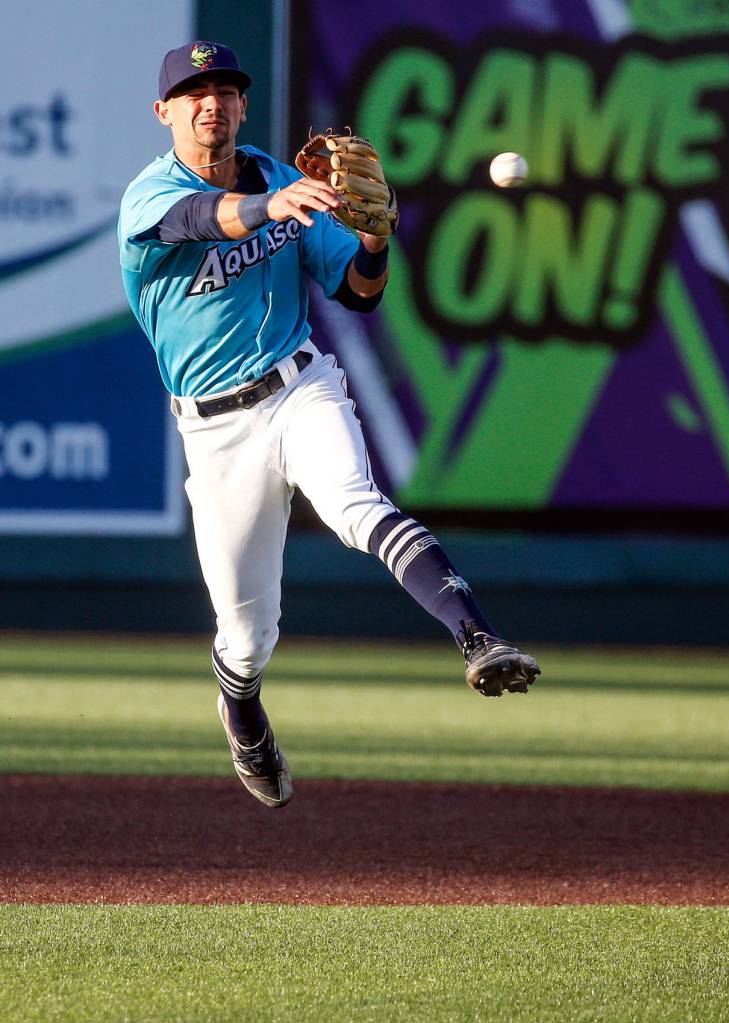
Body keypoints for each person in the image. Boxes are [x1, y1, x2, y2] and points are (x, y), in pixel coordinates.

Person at [118, 41, 541, 809]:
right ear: (165, 112)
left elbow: (359, 292)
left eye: (225, 89)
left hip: (300, 385)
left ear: (245, 106)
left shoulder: (284, 181)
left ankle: (479, 638)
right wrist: (266, 208)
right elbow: (198, 220)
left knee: (356, 505)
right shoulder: (149, 196)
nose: (211, 102)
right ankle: (241, 706)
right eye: (194, 92)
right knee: (247, 639)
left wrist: (375, 240)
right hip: (214, 431)